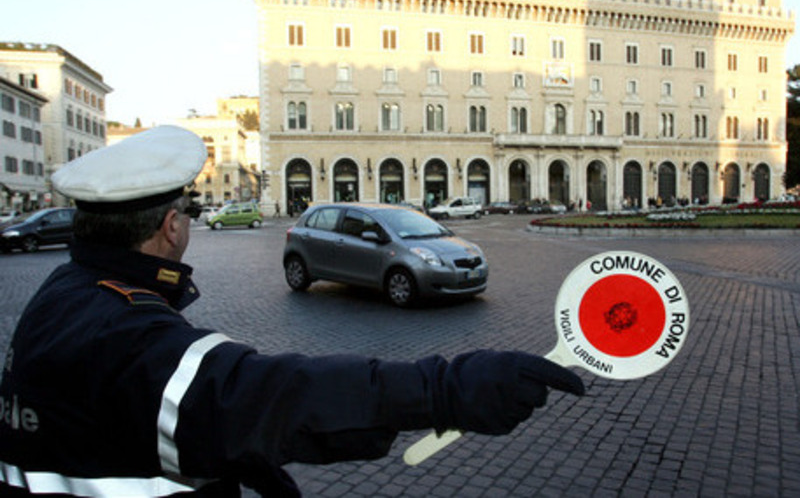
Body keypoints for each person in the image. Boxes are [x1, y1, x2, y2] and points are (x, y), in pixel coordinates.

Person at [0, 126, 584, 497]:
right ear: (171, 226)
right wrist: (447, 389)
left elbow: (127, 419)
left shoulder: (63, 294)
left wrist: (234, 457)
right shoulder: (128, 332)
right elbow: (272, 394)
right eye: (190, 210)